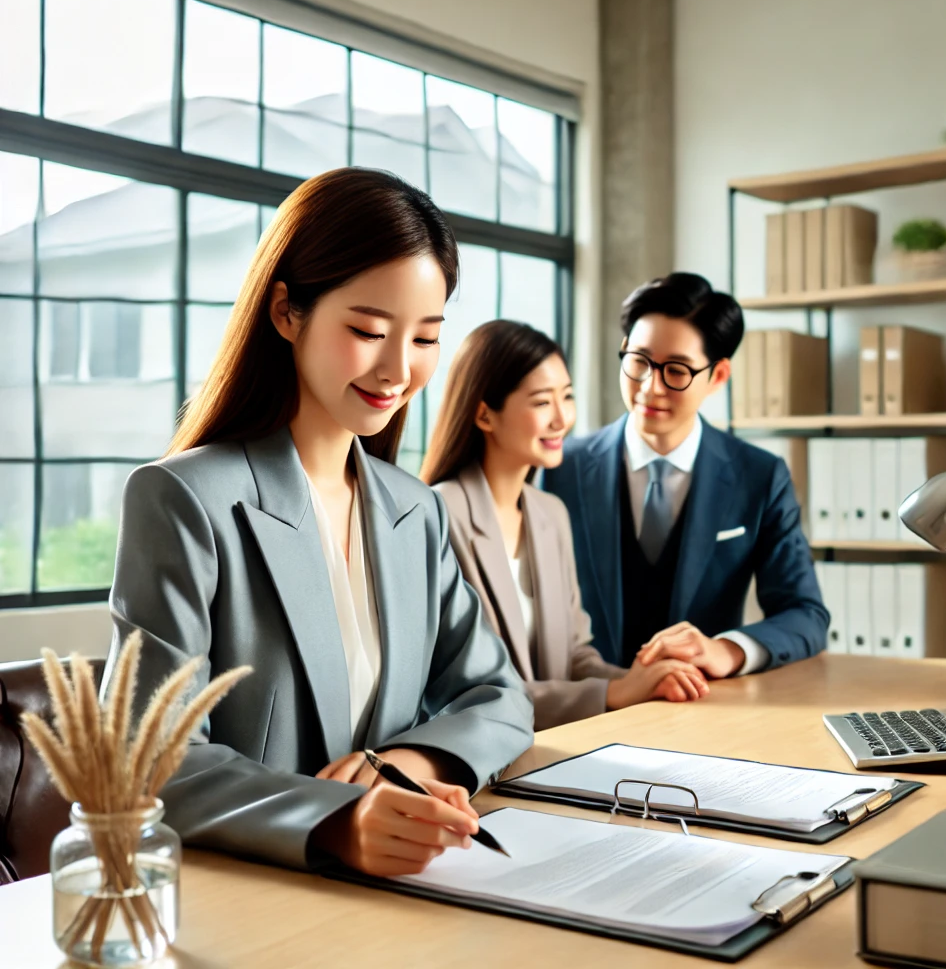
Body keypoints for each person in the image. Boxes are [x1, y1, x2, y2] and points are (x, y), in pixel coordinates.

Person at [101, 169, 533, 879]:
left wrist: (406, 762)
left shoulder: (413, 508)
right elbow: (153, 760)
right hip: (251, 901)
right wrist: (335, 821)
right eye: (367, 330)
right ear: (286, 312)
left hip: (401, 889)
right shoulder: (181, 498)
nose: (398, 369)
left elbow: (500, 694)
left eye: (426, 338)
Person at [544, 272, 828, 689]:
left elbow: (806, 614)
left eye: (675, 370)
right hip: (585, 711)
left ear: (717, 376)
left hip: (699, 709)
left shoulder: (760, 477)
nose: (649, 387)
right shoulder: (559, 467)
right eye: (638, 362)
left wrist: (724, 650)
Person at [420, 320, 709, 730]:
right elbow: (466, 691)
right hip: (479, 757)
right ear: (485, 414)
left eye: (567, 397)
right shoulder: (438, 513)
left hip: (561, 748)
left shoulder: (549, 513)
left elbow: (576, 656)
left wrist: (643, 679)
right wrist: (612, 694)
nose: (562, 419)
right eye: (541, 402)